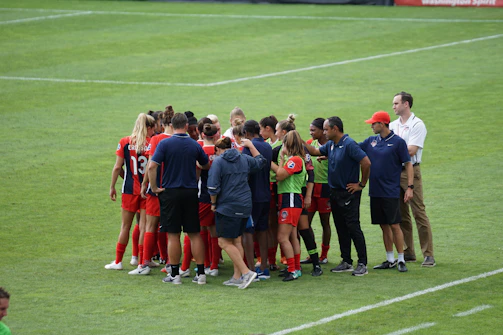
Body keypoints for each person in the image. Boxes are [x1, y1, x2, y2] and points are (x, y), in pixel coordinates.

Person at [149, 113, 210, 285]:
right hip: (190, 192)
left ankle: (175, 275)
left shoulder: (165, 144)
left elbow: (152, 166)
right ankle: (201, 274)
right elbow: (205, 164)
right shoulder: (194, 144)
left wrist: (154, 188)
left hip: (170, 193)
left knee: (173, 234)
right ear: (185, 126)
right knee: (195, 234)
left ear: (172, 125)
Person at [305, 117, 371, 276]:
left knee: (353, 227)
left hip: (348, 193)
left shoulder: (349, 144)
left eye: (326, 129)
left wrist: (361, 184)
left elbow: (366, 162)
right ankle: (346, 261)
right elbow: (314, 151)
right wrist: (296, 139)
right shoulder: (331, 145)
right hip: (334, 193)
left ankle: (362, 263)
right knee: (341, 227)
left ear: (335, 129)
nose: (324, 132)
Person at [207, 137, 267, 289]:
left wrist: (213, 203)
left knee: (223, 242)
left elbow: (213, 187)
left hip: (228, 207)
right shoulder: (244, 158)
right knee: (236, 241)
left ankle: (246, 272)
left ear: (219, 150)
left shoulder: (219, 162)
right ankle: (237, 277)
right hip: (245, 205)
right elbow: (261, 161)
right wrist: (251, 146)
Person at [360, 111, 414, 273]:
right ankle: (390, 259)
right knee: (383, 225)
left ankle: (401, 259)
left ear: (382, 124)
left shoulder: (398, 142)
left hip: (391, 191)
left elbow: (408, 164)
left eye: (373, 123)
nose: (371, 126)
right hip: (375, 191)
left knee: (395, 225)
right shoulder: (371, 141)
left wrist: (410, 187)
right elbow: (353, 150)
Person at [105, 113, 156, 270]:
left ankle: (118, 261)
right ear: (148, 127)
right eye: (153, 127)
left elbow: (117, 167)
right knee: (143, 227)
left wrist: (113, 186)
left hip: (128, 190)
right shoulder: (150, 143)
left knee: (125, 226)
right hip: (145, 190)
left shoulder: (125, 142)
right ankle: (141, 262)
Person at [390, 92, 435, 267]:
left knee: (418, 212)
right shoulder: (393, 125)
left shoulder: (417, 124)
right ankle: (408, 252)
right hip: (395, 171)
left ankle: (429, 254)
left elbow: (411, 151)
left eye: (396, 103)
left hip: (411, 170)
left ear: (406, 104)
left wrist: (390, 151)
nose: (393, 106)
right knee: (401, 215)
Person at [131, 107, 175, 275]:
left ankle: (144, 264)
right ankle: (171, 264)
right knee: (172, 229)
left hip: (157, 190)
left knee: (150, 226)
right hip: (174, 190)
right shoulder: (183, 139)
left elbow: (151, 165)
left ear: (162, 123)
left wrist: (145, 184)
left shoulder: (156, 140)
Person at [241, 120, 273, 280]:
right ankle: (265, 267)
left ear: (246, 133)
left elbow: (245, 170)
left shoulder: (247, 148)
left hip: (250, 196)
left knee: (247, 231)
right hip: (265, 194)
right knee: (262, 230)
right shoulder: (267, 146)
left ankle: (251, 269)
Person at [303, 118, 332, 265]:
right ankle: (312, 253)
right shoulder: (310, 144)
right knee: (306, 223)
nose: (311, 132)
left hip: (325, 188)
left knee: (324, 222)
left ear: (322, 131)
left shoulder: (331, 146)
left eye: (314, 130)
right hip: (311, 187)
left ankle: (324, 254)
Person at [259, 115, 281, 271]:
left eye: (261, 129)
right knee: (268, 224)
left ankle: (275, 259)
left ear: (268, 129)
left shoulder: (281, 145)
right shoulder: (265, 144)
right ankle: (268, 258)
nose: (260, 132)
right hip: (268, 186)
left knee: (275, 225)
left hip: (279, 186)